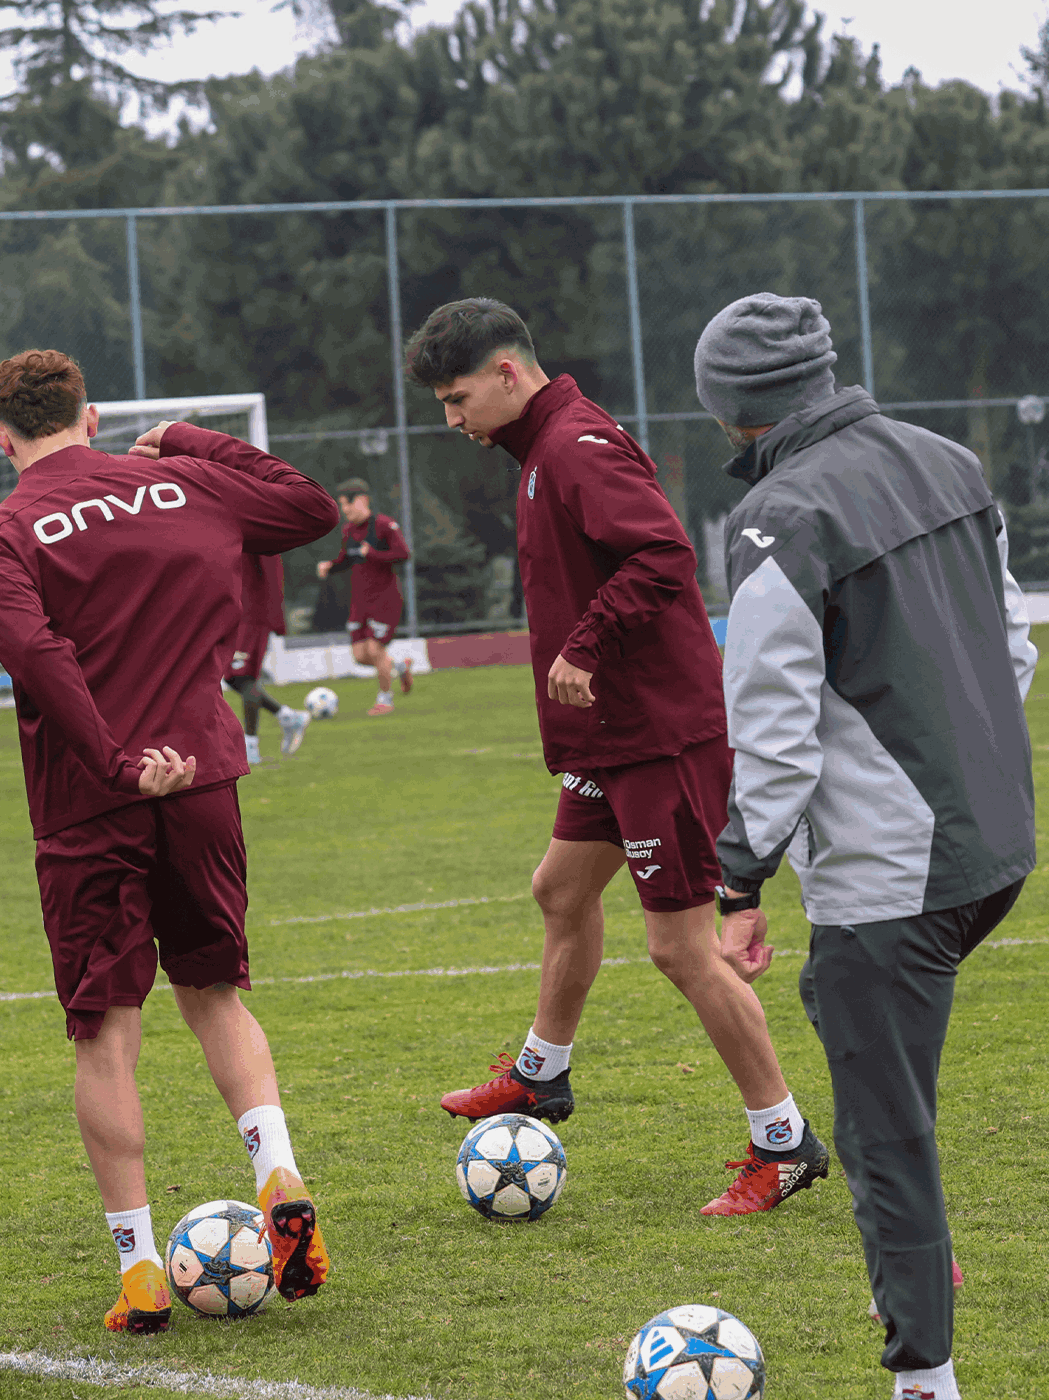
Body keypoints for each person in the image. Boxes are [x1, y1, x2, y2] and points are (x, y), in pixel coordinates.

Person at [408, 298, 824, 1216]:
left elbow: (663, 555)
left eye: (457, 397)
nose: (453, 420)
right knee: (560, 891)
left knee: (680, 949)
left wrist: (587, 644)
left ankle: (784, 1141)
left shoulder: (575, 447)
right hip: (610, 736)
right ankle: (540, 1077)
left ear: (509, 375)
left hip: (657, 735)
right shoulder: (541, 451)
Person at [0, 349, 339, 1335]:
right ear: (92, 416)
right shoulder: (180, 478)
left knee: (105, 1032)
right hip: (204, 775)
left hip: (93, 800)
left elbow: (39, 660)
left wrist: (116, 760)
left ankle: (137, 1271)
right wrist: (191, 439)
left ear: (1, 438)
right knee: (212, 991)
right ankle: (277, 1171)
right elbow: (306, 508)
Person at [697, 294, 1035, 1400]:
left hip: (892, 880)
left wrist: (737, 876)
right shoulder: (948, 458)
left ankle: (923, 1382)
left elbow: (775, 742)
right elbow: (1012, 647)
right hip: (995, 843)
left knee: (885, 1138)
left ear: (733, 411)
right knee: (896, 1109)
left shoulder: (775, 519)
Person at [314, 478, 412, 715]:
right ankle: (399, 666)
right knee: (360, 656)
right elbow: (348, 559)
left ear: (362, 500)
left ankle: (385, 700)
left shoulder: (384, 525)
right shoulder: (349, 531)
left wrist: (374, 554)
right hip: (360, 601)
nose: (344, 510)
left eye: (347, 504)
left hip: (385, 599)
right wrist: (331, 566)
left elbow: (403, 554)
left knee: (375, 649)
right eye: (342, 505)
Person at [226, 552, 308, 762]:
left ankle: (251, 747)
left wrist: (276, 619)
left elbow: (273, 574)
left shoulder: (258, 532)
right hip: (234, 613)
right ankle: (288, 717)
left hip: (252, 617)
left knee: (243, 677)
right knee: (232, 677)